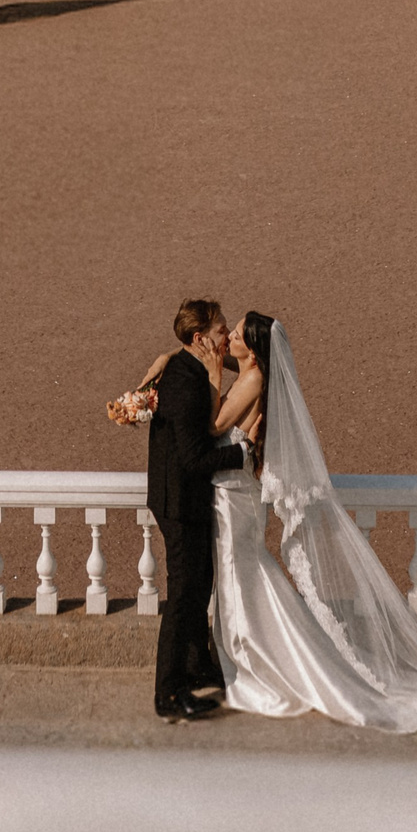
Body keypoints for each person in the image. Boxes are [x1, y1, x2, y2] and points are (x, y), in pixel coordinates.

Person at [206, 311, 417, 732]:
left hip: (235, 499)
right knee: (244, 577)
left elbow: (214, 424)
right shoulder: (252, 379)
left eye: (234, 336)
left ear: (251, 351)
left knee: (244, 576)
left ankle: (265, 666)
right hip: (235, 496)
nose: (228, 340)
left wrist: (210, 371)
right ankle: (261, 659)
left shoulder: (249, 380)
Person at [145, 299, 249, 723]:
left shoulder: (183, 367)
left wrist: (177, 354)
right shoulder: (187, 386)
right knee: (184, 598)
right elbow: (194, 460)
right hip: (180, 503)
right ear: (200, 338)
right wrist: (241, 455)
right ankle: (168, 692)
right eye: (222, 329)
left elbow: (244, 369)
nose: (226, 335)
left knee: (199, 583)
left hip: (179, 498)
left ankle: (198, 665)